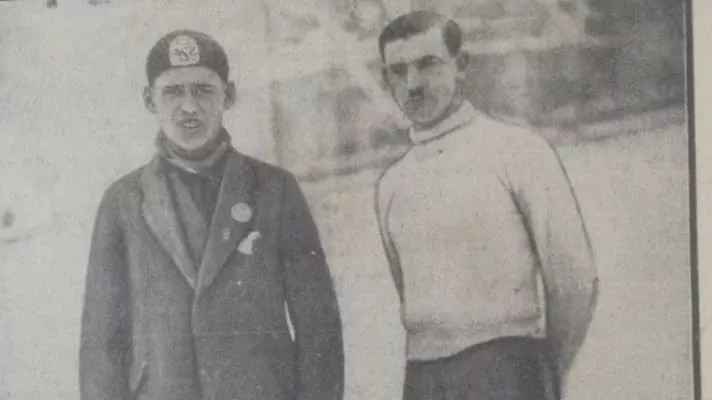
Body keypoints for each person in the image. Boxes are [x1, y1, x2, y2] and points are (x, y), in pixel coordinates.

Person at [79, 30, 344, 400]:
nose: (189, 106)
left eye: (203, 90)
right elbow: (101, 343)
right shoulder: (122, 202)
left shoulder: (275, 190)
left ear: (228, 95)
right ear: (149, 100)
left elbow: (318, 325)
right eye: (173, 92)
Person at [374, 11, 599, 400]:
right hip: (423, 378)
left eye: (428, 64)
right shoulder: (392, 184)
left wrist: (544, 373)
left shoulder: (516, 150)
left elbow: (574, 281)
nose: (413, 84)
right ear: (386, 79)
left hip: (507, 372)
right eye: (398, 71)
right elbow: (406, 292)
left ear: (461, 65)